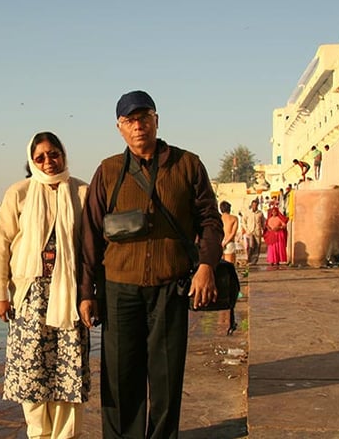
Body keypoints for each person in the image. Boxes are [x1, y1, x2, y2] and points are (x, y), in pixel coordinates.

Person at [78, 90, 223, 438]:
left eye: (144, 118)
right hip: (119, 289)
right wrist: (86, 292)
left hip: (169, 286)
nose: (138, 126)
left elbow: (210, 221)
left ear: (156, 121)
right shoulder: (109, 170)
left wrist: (207, 266)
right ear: (119, 128)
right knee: (119, 377)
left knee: (166, 376)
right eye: (129, 120)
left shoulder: (187, 165)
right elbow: (90, 235)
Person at [0, 131, 90, 439]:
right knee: (32, 374)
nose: (49, 161)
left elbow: (91, 247)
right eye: (40, 157)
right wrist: (0, 293)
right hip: (30, 297)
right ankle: (39, 435)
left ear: (63, 155)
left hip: (69, 295)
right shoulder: (19, 193)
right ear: (32, 161)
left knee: (67, 373)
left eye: (54, 154)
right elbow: (1, 242)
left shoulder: (82, 192)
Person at [242, 199, 265, 265]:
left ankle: (254, 261)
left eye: (256, 205)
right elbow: (243, 221)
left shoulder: (260, 213)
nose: (254, 206)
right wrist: (246, 229)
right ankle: (249, 259)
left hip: (257, 232)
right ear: (251, 205)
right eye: (253, 205)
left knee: (258, 246)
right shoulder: (247, 212)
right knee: (251, 246)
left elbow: (263, 222)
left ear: (257, 205)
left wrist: (263, 230)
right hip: (250, 232)